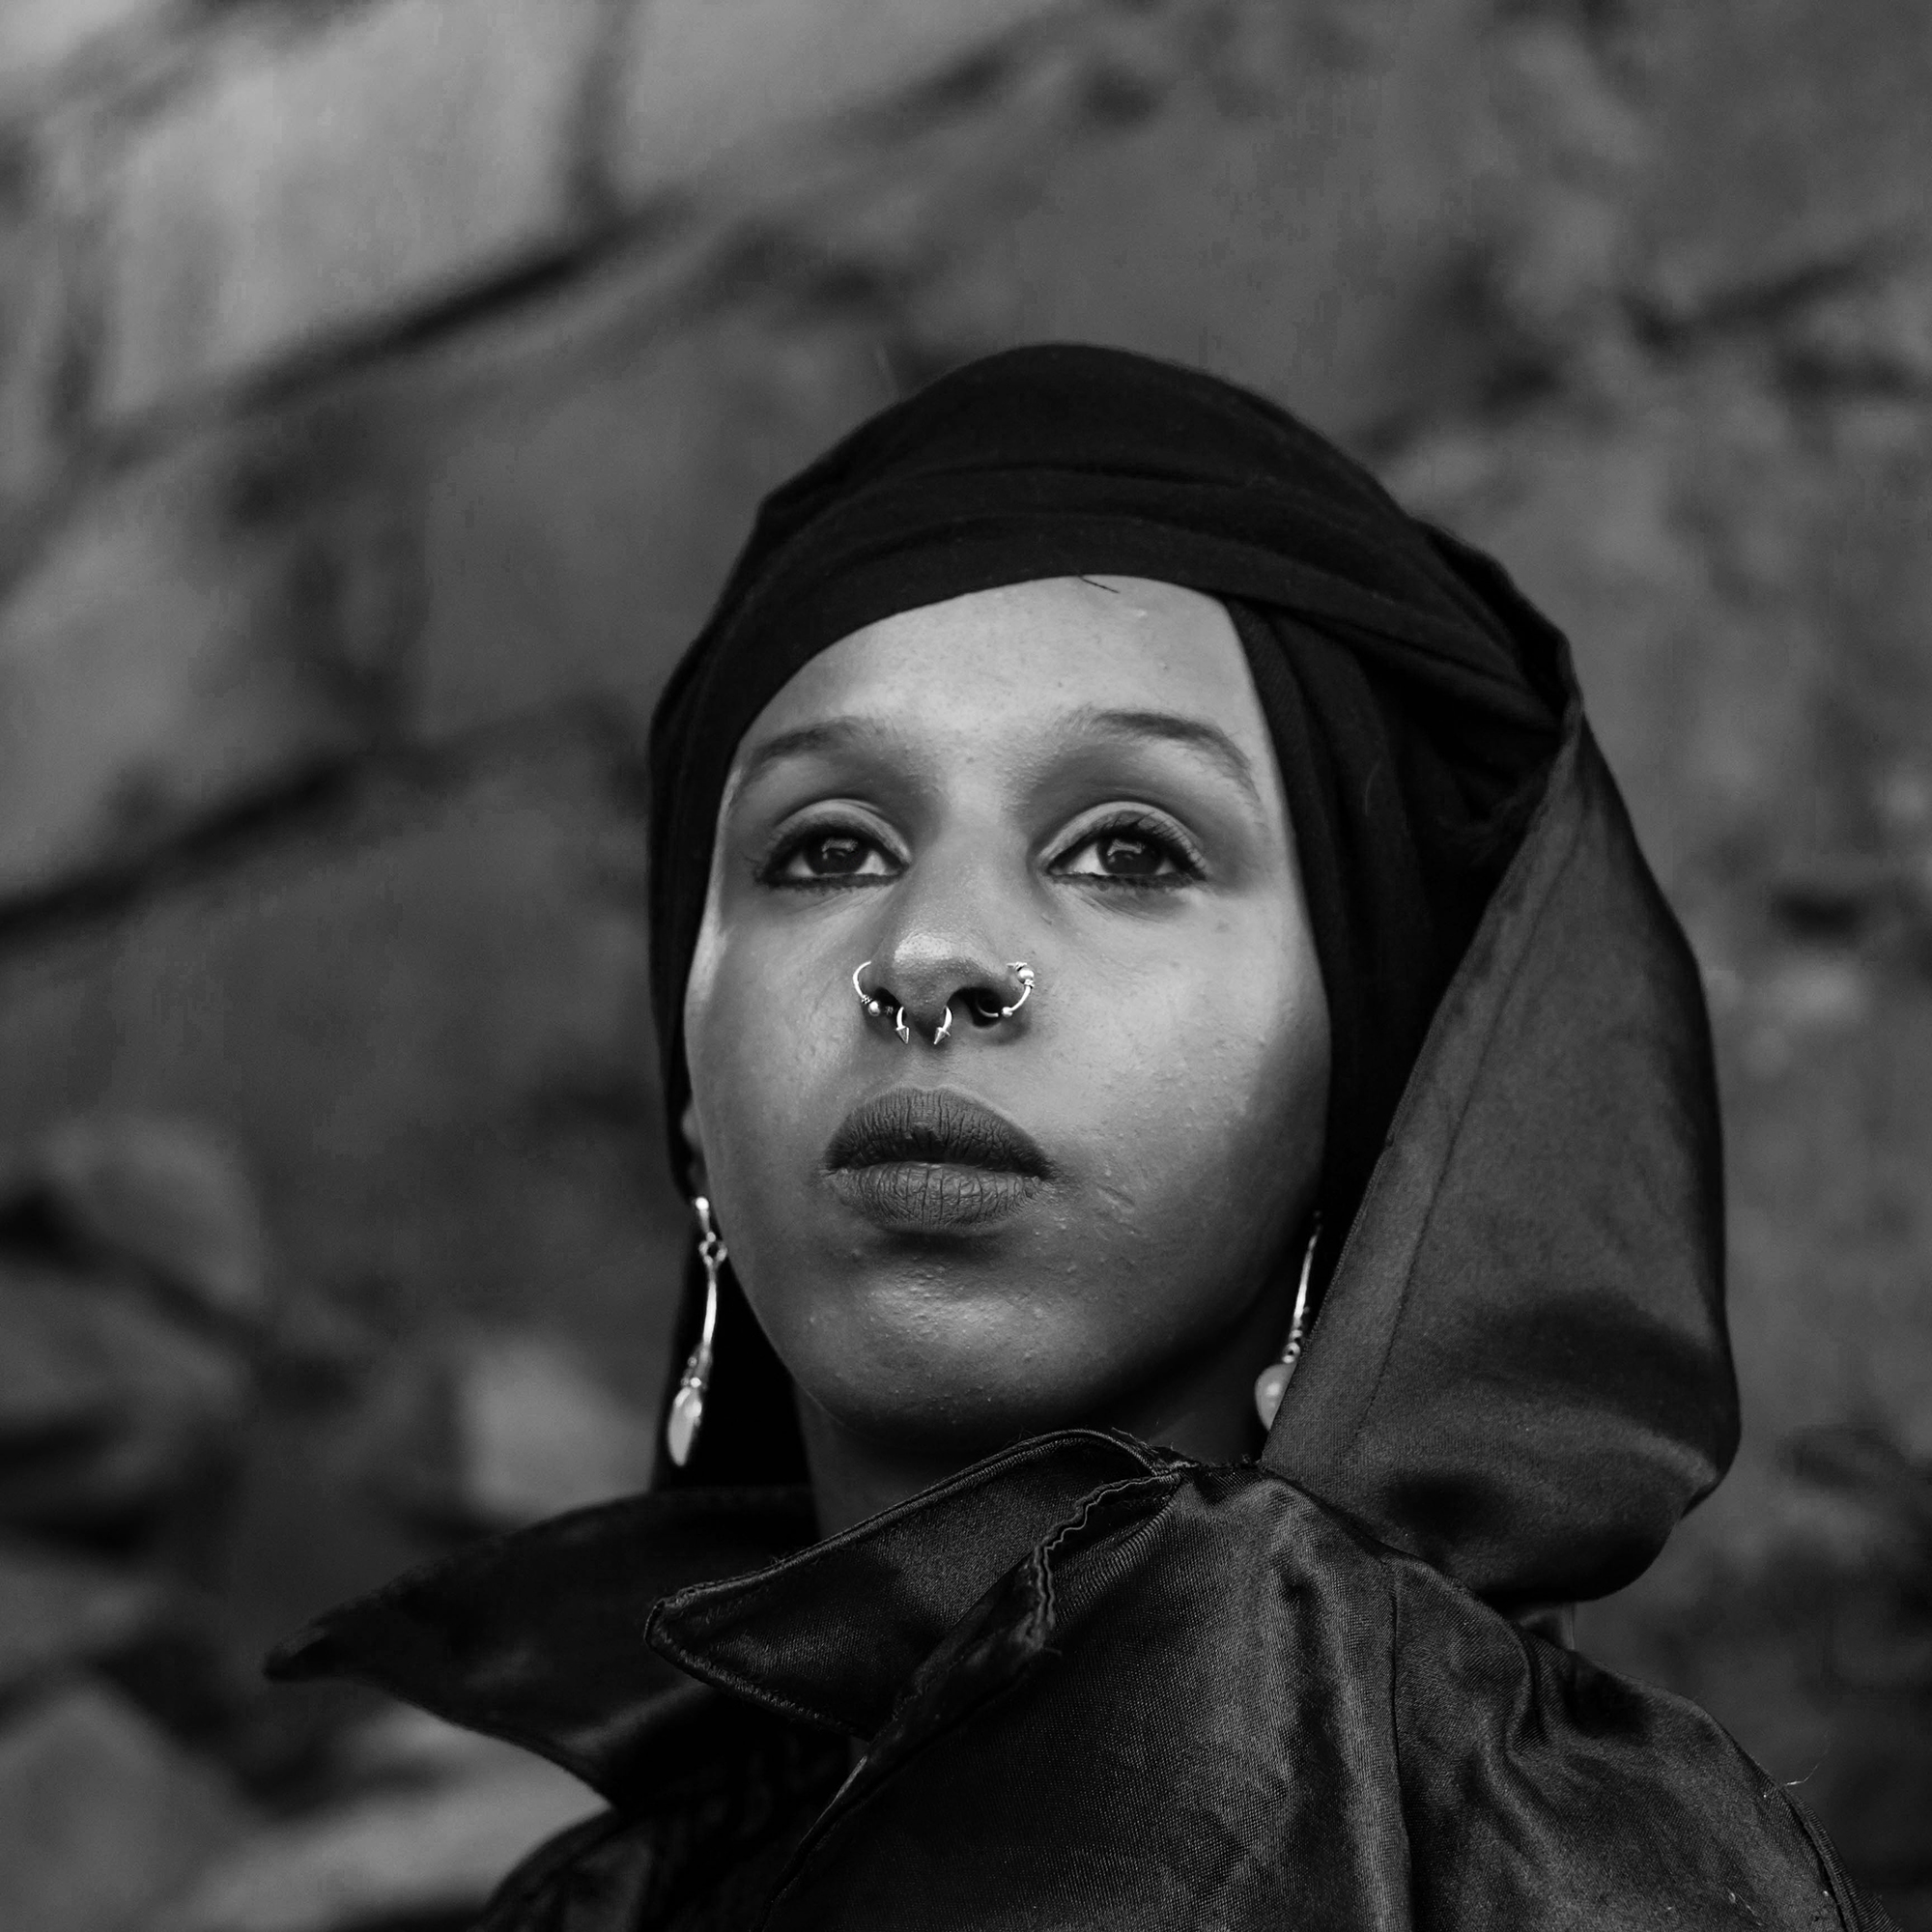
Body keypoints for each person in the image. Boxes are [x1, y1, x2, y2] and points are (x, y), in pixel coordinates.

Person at [270, 346, 1889, 1929]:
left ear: (1365, 1078)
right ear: (689, 1090)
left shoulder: (1554, 1869)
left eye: (1129, 851)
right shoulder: (614, 1900)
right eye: (827, 850)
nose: (927, 956)